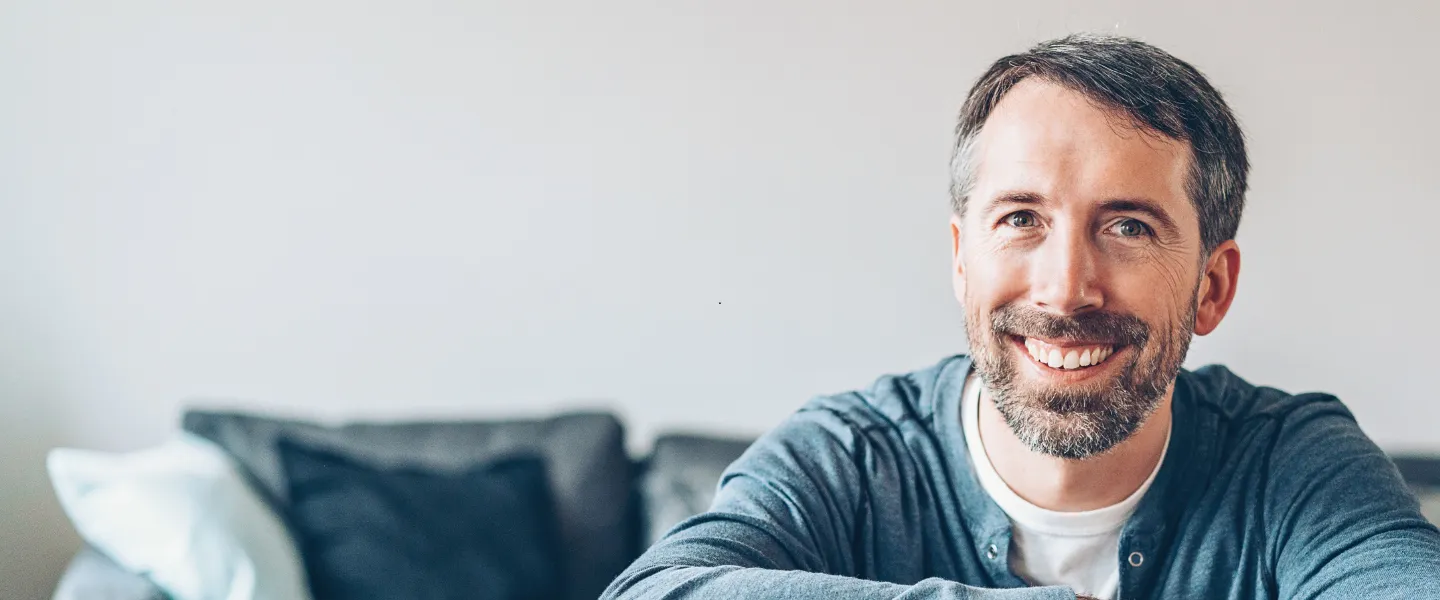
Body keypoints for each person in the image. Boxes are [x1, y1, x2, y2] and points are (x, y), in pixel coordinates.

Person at [600, 34, 1440, 600]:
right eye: (1021, 219)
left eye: (1128, 227)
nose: (1065, 288)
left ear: (1212, 288)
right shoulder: (854, 458)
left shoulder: (1289, 465)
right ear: (963, 259)